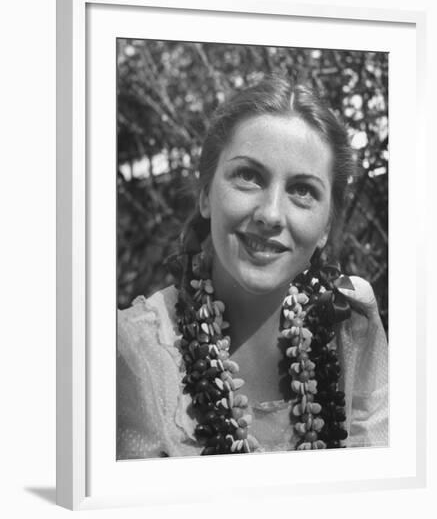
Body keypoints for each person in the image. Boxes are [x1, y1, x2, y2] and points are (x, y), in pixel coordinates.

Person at [117, 76, 388, 459]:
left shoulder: (350, 323)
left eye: (303, 190)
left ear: (326, 226)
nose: (271, 214)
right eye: (248, 176)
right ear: (206, 194)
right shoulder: (133, 353)